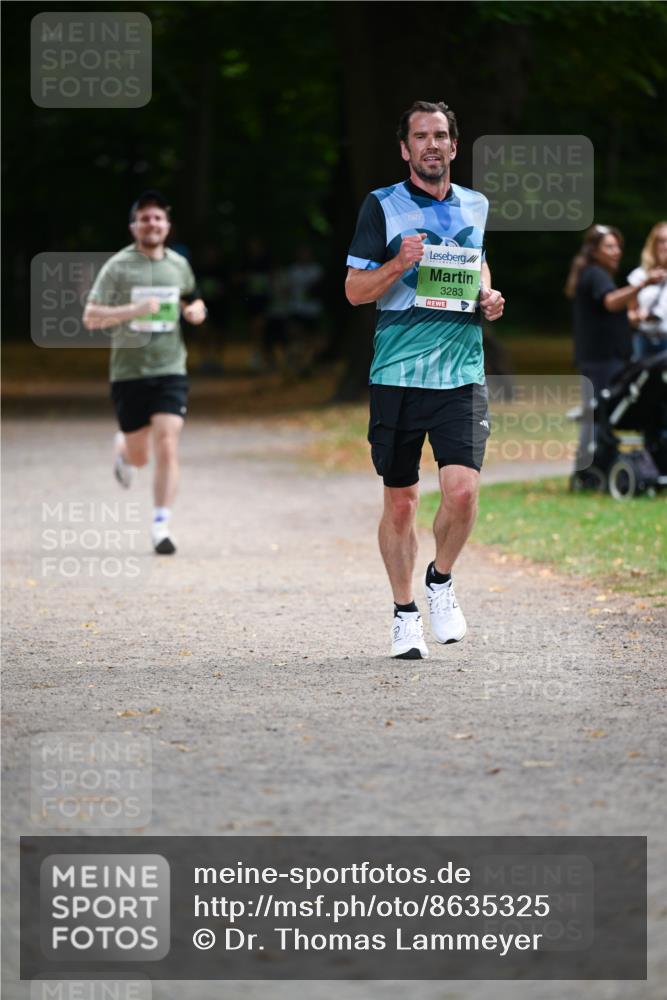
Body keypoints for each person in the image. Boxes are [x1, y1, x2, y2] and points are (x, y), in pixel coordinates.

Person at [345, 100, 504, 660]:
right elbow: (354, 291)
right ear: (405, 148)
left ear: (454, 146)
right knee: (401, 504)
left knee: (462, 491)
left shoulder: (475, 204)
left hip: (461, 371)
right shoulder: (382, 206)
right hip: (398, 374)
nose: (431, 144)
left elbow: (476, 261)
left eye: (440, 135)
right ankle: (404, 612)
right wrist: (397, 264)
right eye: (420, 136)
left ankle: (440, 578)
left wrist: (487, 294)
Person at [83, 190, 207, 554]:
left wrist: (196, 311)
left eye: (158, 218)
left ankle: (161, 525)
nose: (152, 224)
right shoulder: (118, 267)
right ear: (133, 226)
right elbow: (91, 317)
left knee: (167, 442)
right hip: (129, 372)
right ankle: (124, 451)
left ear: (167, 225)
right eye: (144, 219)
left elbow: (193, 297)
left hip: (170, 368)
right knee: (141, 456)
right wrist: (133, 310)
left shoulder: (178, 264)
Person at [564, 224, 663, 477]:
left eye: (618, 246)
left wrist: (636, 318)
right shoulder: (596, 273)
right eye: (609, 246)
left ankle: (593, 469)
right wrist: (643, 284)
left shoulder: (596, 274)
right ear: (593, 250)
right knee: (601, 412)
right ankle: (591, 471)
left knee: (602, 412)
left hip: (605, 358)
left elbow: (608, 313)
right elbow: (610, 302)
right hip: (601, 359)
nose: (616, 251)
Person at [627, 221, 667, 358]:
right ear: (653, 245)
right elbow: (630, 313)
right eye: (661, 241)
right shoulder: (639, 275)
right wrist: (638, 317)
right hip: (644, 340)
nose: (666, 246)